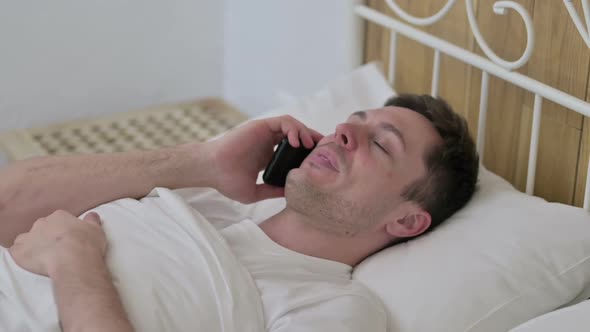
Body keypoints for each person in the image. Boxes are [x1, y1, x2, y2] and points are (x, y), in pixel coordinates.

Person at [0, 94, 479, 331]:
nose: (342, 132)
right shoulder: (207, 199)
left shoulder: (334, 310)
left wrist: (74, 265)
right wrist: (202, 161)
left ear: (406, 219)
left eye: (379, 143)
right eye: (354, 122)